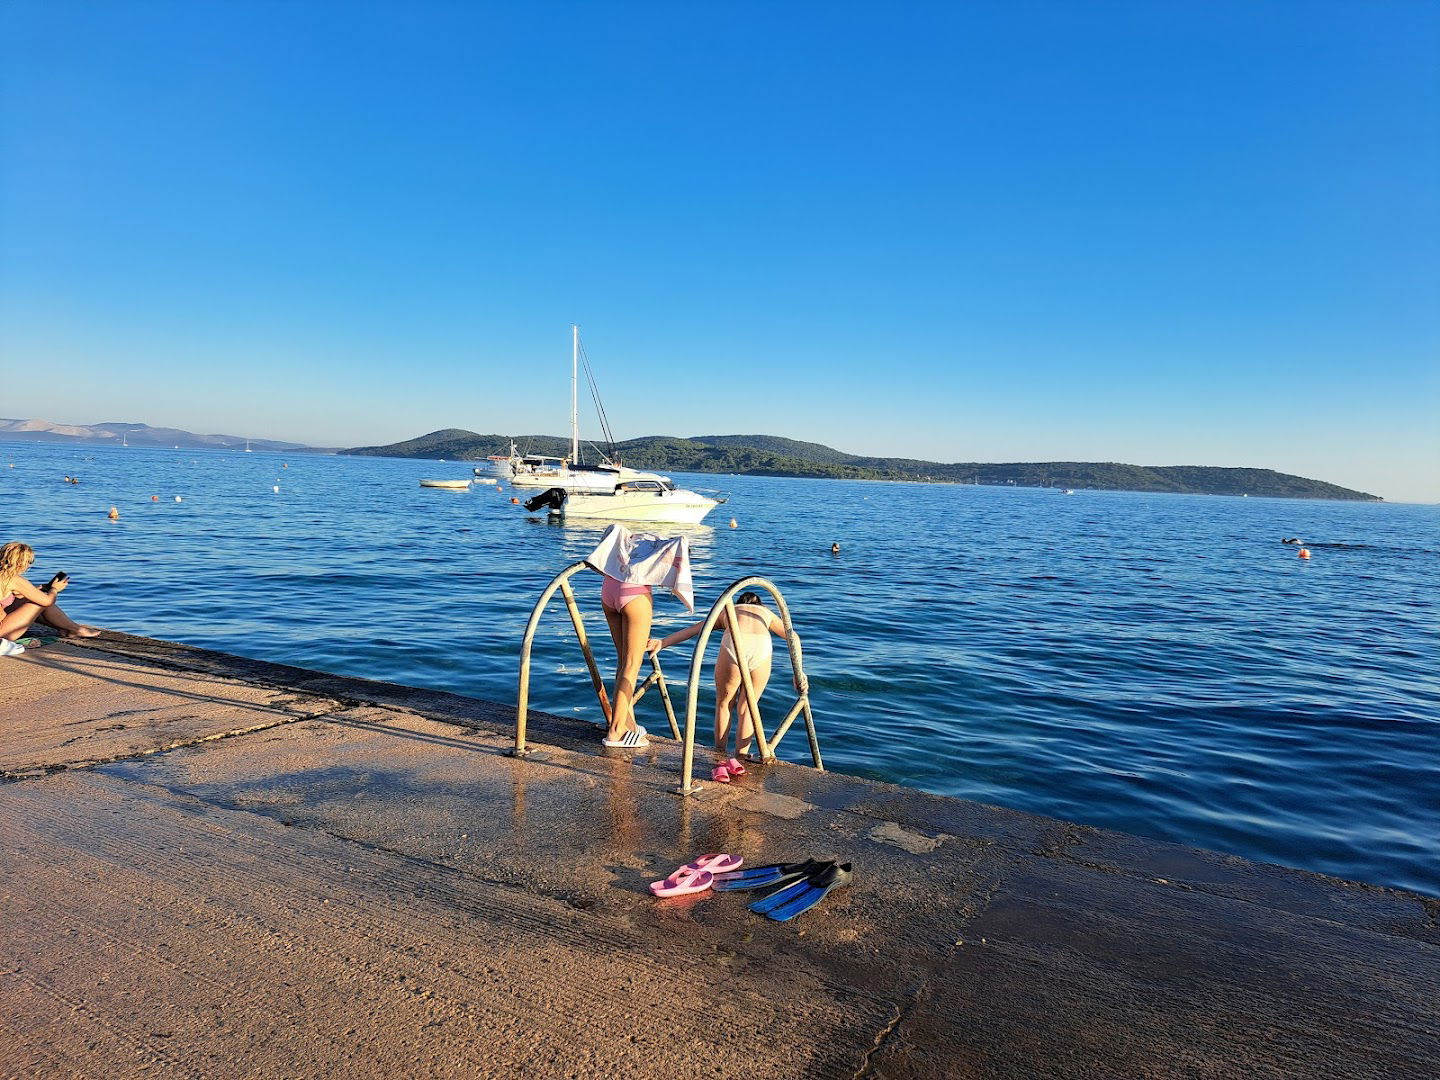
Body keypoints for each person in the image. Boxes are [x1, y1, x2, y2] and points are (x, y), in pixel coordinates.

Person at [650, 592, 801, 759]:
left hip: (734, 642)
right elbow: (793, 636)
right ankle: (741, 758)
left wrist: (662, 642)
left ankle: (719, 755)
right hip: (761, 646)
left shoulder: (727, 611)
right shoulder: (766, 612)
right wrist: (798, 673)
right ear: (760, 604)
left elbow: (693, 630)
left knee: (724, 704)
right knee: (747, 708)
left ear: (738, 602)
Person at [585, 525, 694, 749]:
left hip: (609, 589)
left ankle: (627, 724)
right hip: (634, 594)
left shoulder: (635, 542)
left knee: (623, 661)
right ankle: (616, 732)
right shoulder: (662, 547)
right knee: (632, 664)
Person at [0, 542, 101, 650]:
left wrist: (37, 590)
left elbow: (12, 596)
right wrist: (55, 589)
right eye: (29, 562)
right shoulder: (12, 579)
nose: (29, 566)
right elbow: (47, 601)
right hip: (3, 633)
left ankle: (68, 629)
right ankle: (75, 630)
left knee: (29, 598)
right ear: (21, 563)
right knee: (40, 603)